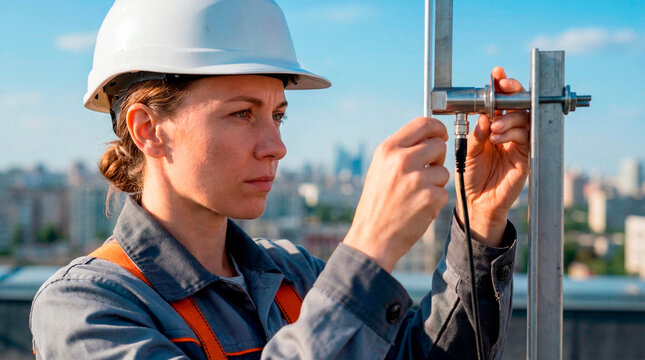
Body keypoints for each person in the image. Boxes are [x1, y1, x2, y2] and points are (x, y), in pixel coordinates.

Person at [30, 0, 528, 359]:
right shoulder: (87, 310)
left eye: (278, 116)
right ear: (149, 130)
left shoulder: (295, 278)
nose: (276, 146)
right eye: (243, 114)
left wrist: (479, 223)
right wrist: (368, 251)